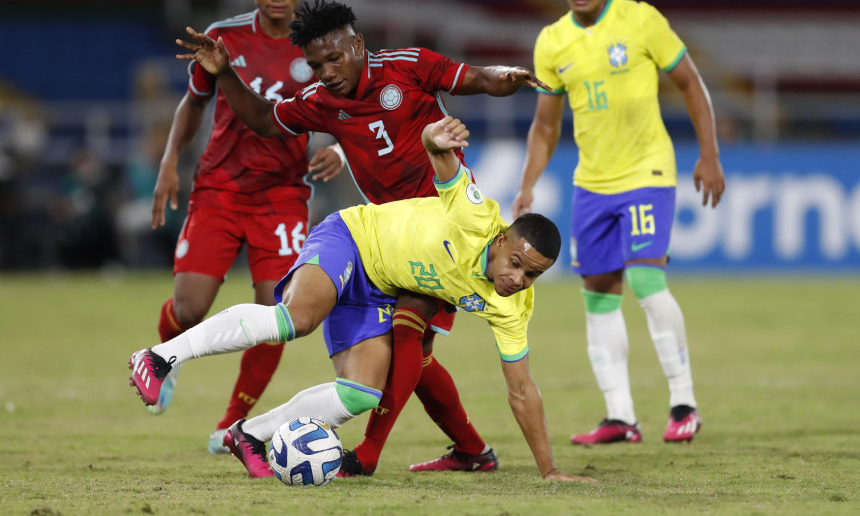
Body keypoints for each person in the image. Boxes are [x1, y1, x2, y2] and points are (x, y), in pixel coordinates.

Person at [174, 0, 550, 476]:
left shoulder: (409, 67)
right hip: (385, 239)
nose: (327, 71)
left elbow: (479, 77)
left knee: (407, 333)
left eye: (334, 58)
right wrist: (226, 74)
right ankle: (473, 451)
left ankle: (370, 456)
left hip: (445, 229)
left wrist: (508, 77)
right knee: (416, 357)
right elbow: (267, 121)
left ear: (358, 43)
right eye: (315, 65)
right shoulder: (321, 100)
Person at [129, 116, 594, 483]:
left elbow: (521, 390)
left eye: (532, 275)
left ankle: (247, 434)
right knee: (298, 319)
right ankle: (159, 357)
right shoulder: (476, 216)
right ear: (499, 241)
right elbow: (441, 157)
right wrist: (436, 135)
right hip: (352, 237)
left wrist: (549, 470)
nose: (518, 278)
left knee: (360, 393)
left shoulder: (513, 305)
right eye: (515, 262)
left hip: (380, 289)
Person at [513, 0, 726, 445]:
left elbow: (690, 82)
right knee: (599, 298)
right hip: (592, 184)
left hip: (647, 172)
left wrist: (709, 153)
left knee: (648, 283)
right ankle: (620, 416)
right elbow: (546, 125)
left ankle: (684, 404)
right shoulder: (552, 42)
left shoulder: (641, 20)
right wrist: (527, 186)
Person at [147, 0, 344, 454]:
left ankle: (232, 422)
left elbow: (354, 105)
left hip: (284, 195)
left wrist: (339, 148)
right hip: (219, 189)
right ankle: (168, 355)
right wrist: (170, 162)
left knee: (275, 312)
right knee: (190, 308)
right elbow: (193, 103)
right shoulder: (222, 38)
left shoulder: (319, 46)